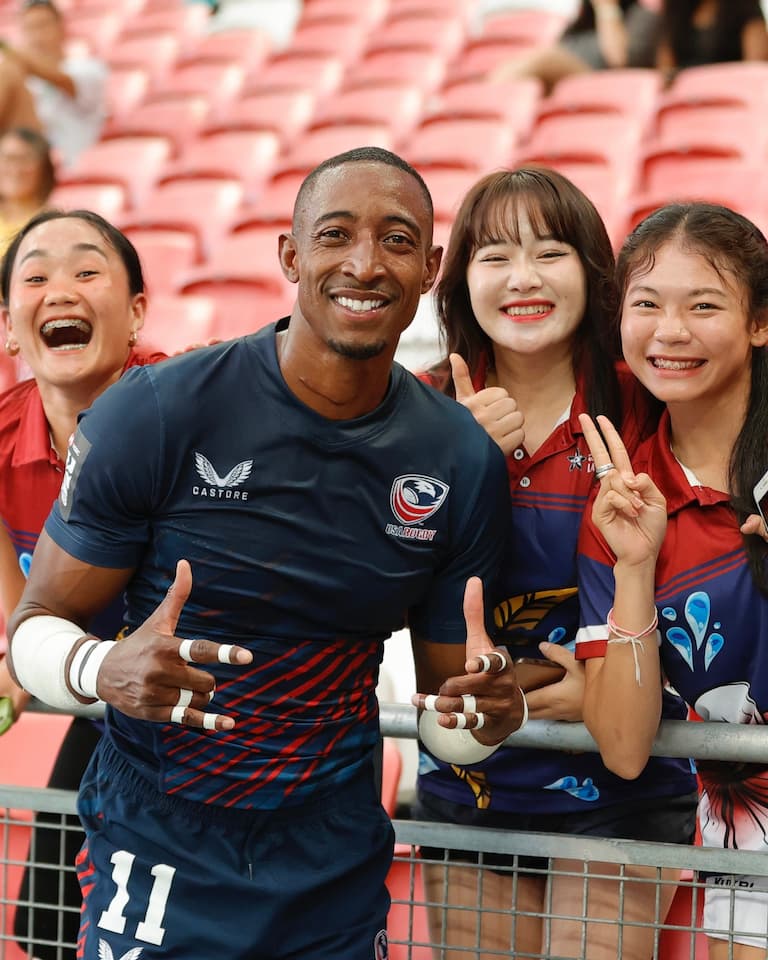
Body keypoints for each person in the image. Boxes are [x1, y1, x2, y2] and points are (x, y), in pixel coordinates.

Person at [5, 148, 525, 960]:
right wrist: (101, 669)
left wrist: (494, 715)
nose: (364, 263)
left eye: (396, 240)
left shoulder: (459, 460)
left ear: (429, 270)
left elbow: (450, 710)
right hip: (159, 833)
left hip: (332, 855)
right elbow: (33, 626)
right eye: (335, 235)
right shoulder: (158, 413)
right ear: (289, 255)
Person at [414, 166, 697, 959]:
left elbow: (715, 565)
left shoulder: (651, 396)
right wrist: (450, 462)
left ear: (593, 272)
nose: (523, 279)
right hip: (471, 777)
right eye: (494, 256)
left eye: (550, 252)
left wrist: (607, 691)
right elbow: (369, 585)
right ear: (460, 277)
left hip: (625, 782)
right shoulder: (417, 411)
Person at [576, 201, 768, 958]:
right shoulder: (626, 496)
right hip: (746, 839)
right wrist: (632, 568)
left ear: (759, 322)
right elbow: (624, 748)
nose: (670, 331)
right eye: (647, 304)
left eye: (704, 305)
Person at [0, 209, 166, 959]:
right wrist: (16, 659)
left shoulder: (197, 409)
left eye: (87, 270)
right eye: (36, 276)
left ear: (136, 310)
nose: (59, 288)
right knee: (44, 926)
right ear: (10, 327)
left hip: (215, 726)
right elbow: (22, 629)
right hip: (100, 707)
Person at [0, 0, 107, 169]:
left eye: (42, 25)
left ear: (62, 27)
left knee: (9, 72)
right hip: (33, 169)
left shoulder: (87, 69)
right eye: (29, 28)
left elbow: (61, 79)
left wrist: (11, 53)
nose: (37, 36)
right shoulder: (27, 79)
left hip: (72, 169)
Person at [490, 1, 660, 93]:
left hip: (600, 80)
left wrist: (607, 9)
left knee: (542, 61)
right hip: (565, 78)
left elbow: (619, 60)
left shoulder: (643, 12)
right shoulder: (583, 14)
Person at [655, 0, 768, 81]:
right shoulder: (676, 7)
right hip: (684, 98)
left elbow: (755, 67)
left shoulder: (745, 6)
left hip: (731, 95)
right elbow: (665, 65)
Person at [0, 125, 55, 254]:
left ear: (44, 167)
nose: (14, 169)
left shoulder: (52, 223)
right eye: (6, 158)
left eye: (24, 159)